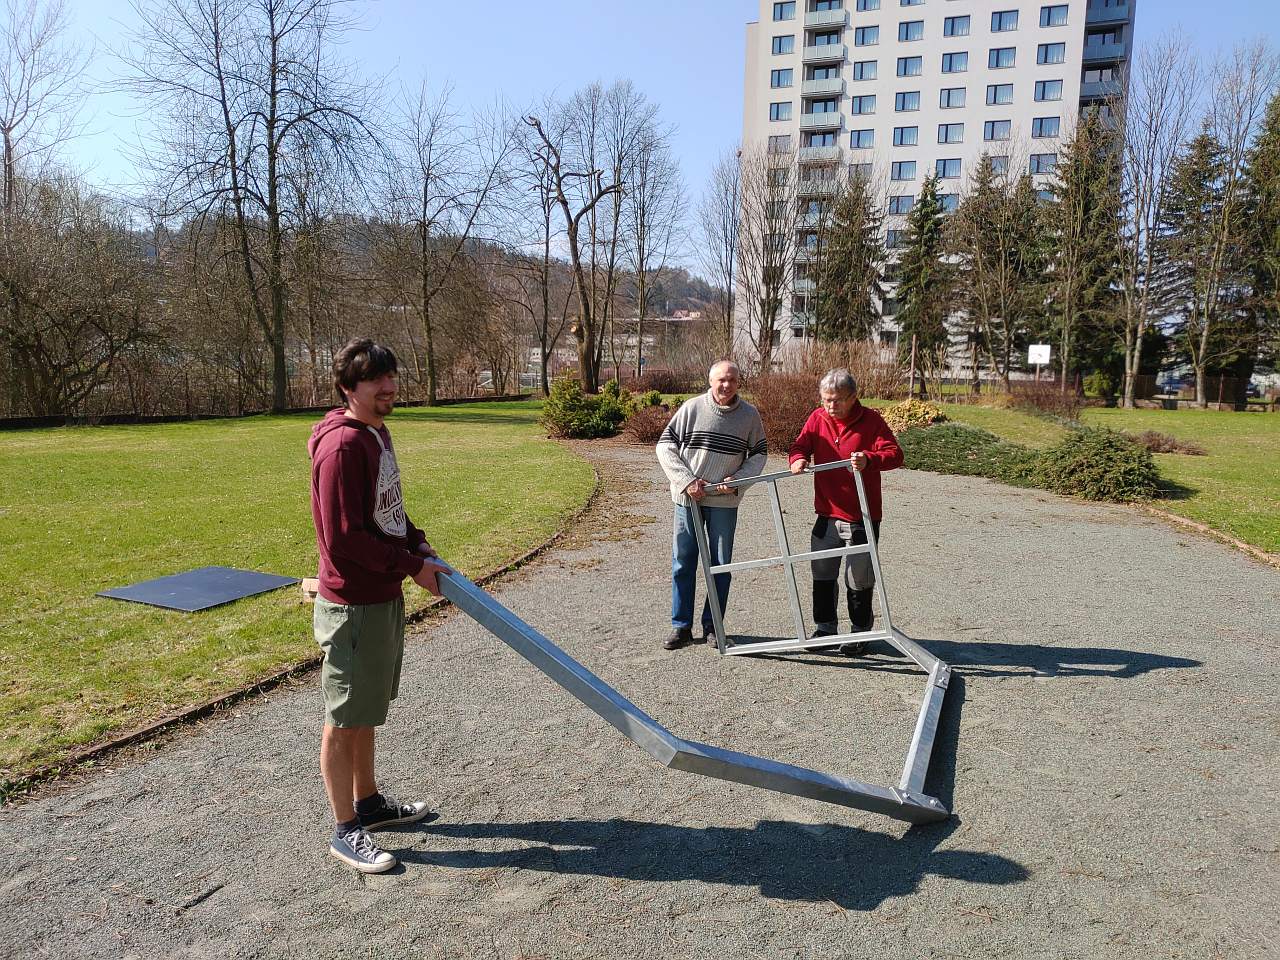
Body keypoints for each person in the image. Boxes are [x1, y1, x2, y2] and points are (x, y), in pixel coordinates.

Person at [308, 338, 449, 873]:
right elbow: (345, 538)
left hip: (380, 596)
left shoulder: (376, 433)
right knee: (344, 718)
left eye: (391, 377)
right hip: (353, 606)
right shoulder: (342, 448)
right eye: (376, 380)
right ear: (349, 387)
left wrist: (416, 542)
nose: (389, 387)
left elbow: (386, 510)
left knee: (365, 709)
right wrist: (411, 566)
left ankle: (367, 804)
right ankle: (345, 830)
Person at [788, 368, 903, 656]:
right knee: (822, 573)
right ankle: (825, 629)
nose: (830, 406)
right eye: (826, 399)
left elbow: (895, 454)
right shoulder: (817, 418)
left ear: (853, 397)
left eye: (837, 400)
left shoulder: (872, 420)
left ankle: (860, 632)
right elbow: (800, 445)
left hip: (862, 516)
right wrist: (798, 458)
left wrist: (869, 459)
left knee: (859, 578)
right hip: (827, 513)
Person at [656, 360, 767, 650]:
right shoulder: (692, 408)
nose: (726, 385)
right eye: (721, 380)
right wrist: (686, 481)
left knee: (720, 565)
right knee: (683, 562)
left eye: (732, 380)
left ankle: (713, 625)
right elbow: (664, 446)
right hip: (688, 499)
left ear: (738, 383)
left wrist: (739, 480)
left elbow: (759, 454)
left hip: (724, 501)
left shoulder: (749, 415)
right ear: (710, 381)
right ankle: (681, 626)